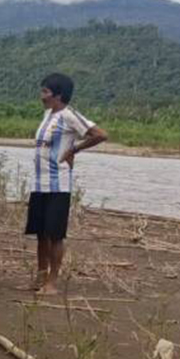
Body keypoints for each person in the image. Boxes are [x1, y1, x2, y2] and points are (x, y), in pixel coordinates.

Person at [27, 73, 109, 295]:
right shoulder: (47, 115)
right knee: (41, 234)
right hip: (40, 183)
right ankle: (40, 276)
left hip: (58, 184)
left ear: (58, 95)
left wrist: (74, 150)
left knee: (55, 234)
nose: (42, 96)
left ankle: (52, 282)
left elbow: (100, 134)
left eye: (45, 91)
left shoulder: (69, 115)